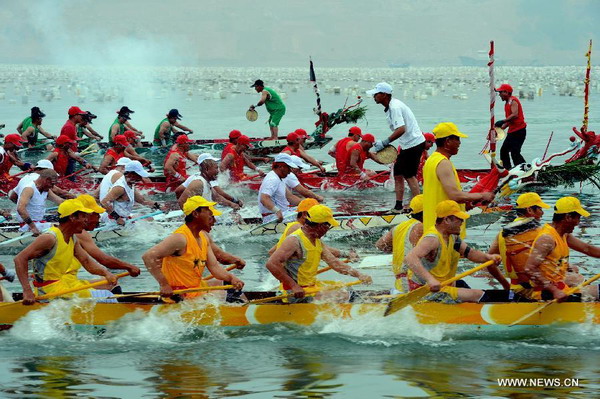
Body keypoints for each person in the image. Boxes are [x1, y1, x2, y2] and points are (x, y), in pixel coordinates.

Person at [14, 199, 119, 305]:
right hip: (49, 292)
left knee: (109, 287)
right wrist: (27, 291)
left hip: (64, 287)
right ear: (72, 217)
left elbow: (86, 261)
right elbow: (19, 259)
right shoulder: (49, 238)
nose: (87, 220)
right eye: (83, 216)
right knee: (108, 296)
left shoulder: (72, 238)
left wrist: (107, 273)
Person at [142, 196, 244, 299]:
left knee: (232, 286)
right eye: (210, 216)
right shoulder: (180, 239)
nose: (214, 221)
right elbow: (148, 257)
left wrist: (232, 278)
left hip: (196, 288)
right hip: (180, 295)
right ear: (195, 214)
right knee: (233, 297)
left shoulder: (204, 237)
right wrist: (164, 284)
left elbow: (214, 267)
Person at [266, 204, 372, 302]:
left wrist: (359, 275)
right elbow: (271, 264)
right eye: (328, 226)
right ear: (321, 226)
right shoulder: (294, 240)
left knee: (346, 289)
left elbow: (335, 263)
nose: (328, 230)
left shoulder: (317, 241)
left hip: (310, 288)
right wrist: (293, 286)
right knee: (346, 295)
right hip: (295, 293)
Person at [404, 200, 502, 303]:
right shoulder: (432, 239)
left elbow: (471, 253)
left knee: (461, 284)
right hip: (425, 290)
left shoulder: (453, 237)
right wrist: (430, 280)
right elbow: (410, 258)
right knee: (477, 294)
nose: (462, 222)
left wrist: (488, 257)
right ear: (446, 220)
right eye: (459, 219)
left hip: (442, 286)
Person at [422, 122, 495, 237]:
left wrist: (467, 204)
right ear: (448, 141)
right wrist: (482, 196)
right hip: (445, 230)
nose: (459, 143)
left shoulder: (431, 160)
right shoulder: (443, 163)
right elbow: (454, 195)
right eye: (457, 139)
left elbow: (442, 194)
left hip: (433, 226)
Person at [524, 197, 600, 301]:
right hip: (546, 292)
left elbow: (587, 248)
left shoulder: (564, 235)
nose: (578, 222)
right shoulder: (547, 239)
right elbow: (529, 269)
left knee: (579, 277)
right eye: (578, 217)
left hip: (561, 285)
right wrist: (554, 290)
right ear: (568, 217)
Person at [367, 82, 426, 211]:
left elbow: (401, 129)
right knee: (398, 174)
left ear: (384, 95)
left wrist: (385, 142)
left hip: (414, 143)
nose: (374, 97)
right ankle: (398, 206)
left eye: (376, 94)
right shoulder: (390, 106)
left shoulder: (394, 107)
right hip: (406, 145)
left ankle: (420, 207)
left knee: (410, 176)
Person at [487, 192, 549, 293]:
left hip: (514, 288)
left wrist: (502, 283)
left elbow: (488, 262)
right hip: (537, 291)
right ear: (529, 210)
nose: (542, 213)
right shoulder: (540, 232)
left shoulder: (502, 233)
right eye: (540, 209)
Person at [268, 198, 357, 260]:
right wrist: (347, 254)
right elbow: (324, 250)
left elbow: (272, 251)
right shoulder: (299, 229)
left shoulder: (293, 226)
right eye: (315, 213)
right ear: (304, 214)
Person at [74, 194, 141, 277]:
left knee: (111, 285)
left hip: (67, 279)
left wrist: (107, 274)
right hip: (61, 283)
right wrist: (129, 267)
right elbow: (104, 260)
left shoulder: (77, 232)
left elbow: (87, 261)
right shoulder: (80, 234)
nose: (99, 218)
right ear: (84, 215)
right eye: (97, 214)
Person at [375, 194, 425, 294]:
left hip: (400, 282)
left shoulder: (399, 226)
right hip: (413, 283)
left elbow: (380, 245)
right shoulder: (421, 227)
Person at [100, 161, 161, 225]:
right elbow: (104, 203)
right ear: (130, 174)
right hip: (113, 221)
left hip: (124, 219)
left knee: (150, 219)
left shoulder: (130, 184)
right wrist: (117, 218)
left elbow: (143, 201)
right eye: (138, 175)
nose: (141, 178)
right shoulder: (120, 187)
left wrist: (159, 206)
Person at [176, 153, 243, 210]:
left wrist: (231, 204)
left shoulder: (207, 182)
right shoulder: (198, 183)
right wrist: (192, 218)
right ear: (206, 169)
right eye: (216, 168)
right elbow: (181, 201)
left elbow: (217, 197)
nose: (218, 171)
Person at [15, 169, 63, 235]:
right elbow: (20, 209)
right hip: (27, 226)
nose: (52, 187)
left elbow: (61, 201)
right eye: (52, 184)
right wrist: (33, 227)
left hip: (39, 223)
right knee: (63, 228)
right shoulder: (29, 189)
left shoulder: (45, 190)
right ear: (46, 180)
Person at [258, 153, 302, 223]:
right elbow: (264, 199)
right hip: (273, 217)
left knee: (308, 209)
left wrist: (308, 204)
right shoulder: (273, 179)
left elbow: (290, 197)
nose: (290, 171)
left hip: (284, 213)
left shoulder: (278, 178)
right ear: (281, 167)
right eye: (289, 168)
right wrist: (277, 211)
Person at [8, 160, 74, 204]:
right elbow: (61, 193)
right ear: (39, 170)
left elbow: (12, 197)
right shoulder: (41, 179)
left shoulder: (25, 178)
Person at [495, 84, 527, 170]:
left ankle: (523, 170)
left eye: (501, 92)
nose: (499, 95)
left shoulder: (512, 101)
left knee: (515, 152)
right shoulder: (507, 104)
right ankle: (507, 169)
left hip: (519, 131)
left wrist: (503, 121)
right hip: (512, 131)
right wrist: (499, 129)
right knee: (504, 151)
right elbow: (510, 121)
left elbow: (515, 115)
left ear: (506, 92)